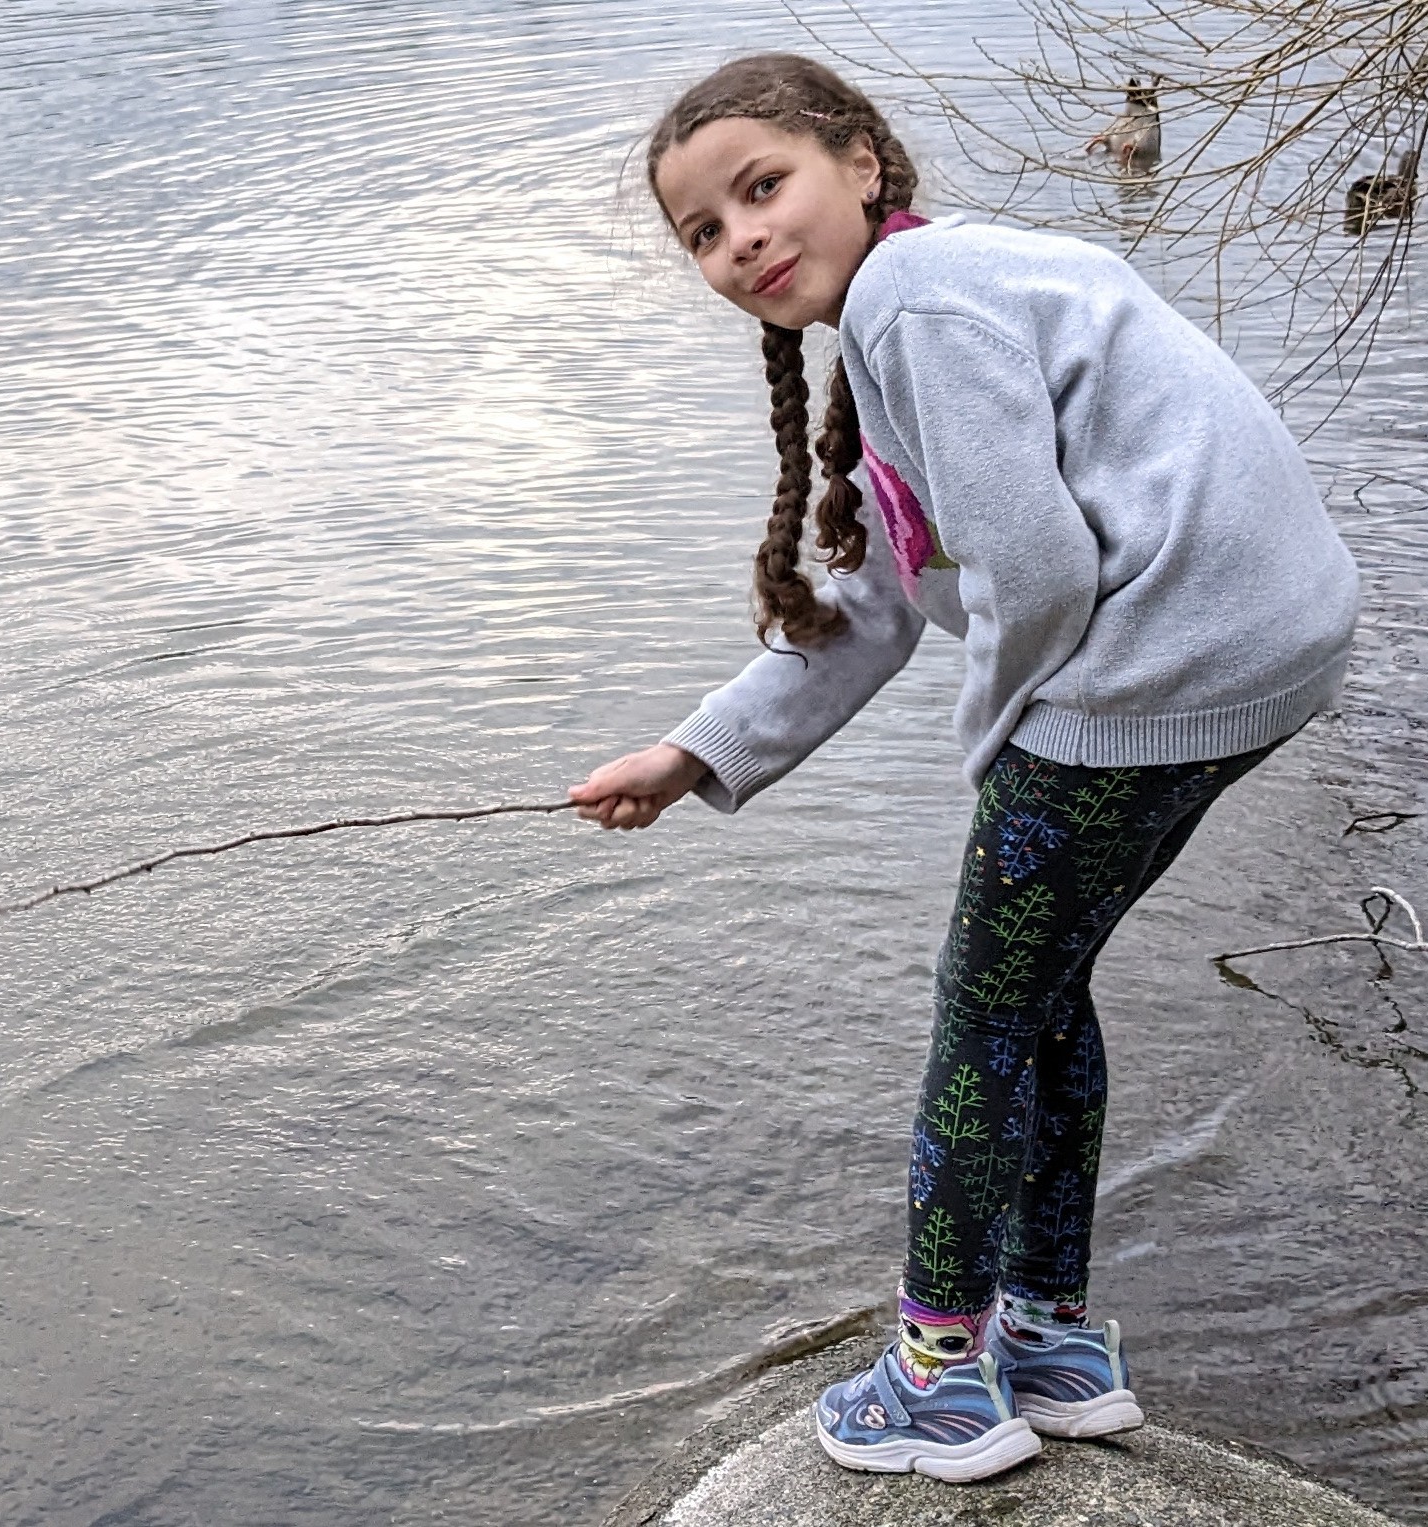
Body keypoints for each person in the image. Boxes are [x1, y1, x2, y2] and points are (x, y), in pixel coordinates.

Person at [566, 54, 1359, 1483]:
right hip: (1260, 651)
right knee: (1038, 990)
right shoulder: (921, 299)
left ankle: (941, 1376)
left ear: (861, 163)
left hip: (1169, 657)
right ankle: (1048, 1335)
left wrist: (998, 738)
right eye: (704, 229)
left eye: (764, 186)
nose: (740, 237)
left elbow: (1042, 567)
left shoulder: (913, 303)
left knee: (978, 1018)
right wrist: (697, 755)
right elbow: (873, 609)